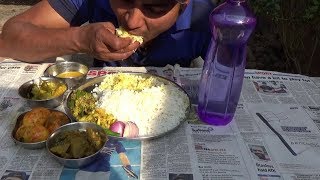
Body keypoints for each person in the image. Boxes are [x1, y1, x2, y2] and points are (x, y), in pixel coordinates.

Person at [0, 0, 215, 67]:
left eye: (155, 9)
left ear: (184, 4)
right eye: (123, 0)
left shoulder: (207, 19)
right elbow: (9, 39)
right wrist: (79, 39)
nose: (132, 21)